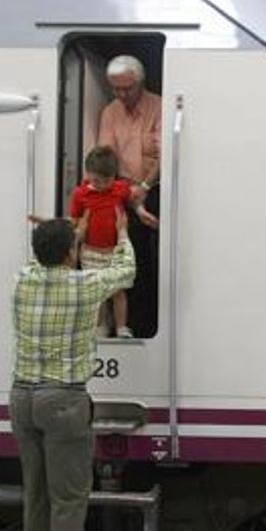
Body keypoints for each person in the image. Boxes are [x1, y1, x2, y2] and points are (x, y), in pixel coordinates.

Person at [9, 212, 135, 531]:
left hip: (22, 398)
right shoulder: (85, 287)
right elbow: (126, 270)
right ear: (71, 254)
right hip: (62, 402)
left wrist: (57, 234)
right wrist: (120, 234)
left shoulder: (21, 282)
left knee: (37, 492)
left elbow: (43, 258)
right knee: (68, 499)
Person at [98, 55, 161, 338]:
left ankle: (152, 323)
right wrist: (127, 195)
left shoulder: (159, 106)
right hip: (124, 192)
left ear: (140, 83)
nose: (122, 95)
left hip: (156, 188)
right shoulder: (110, 112)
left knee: (158, 260)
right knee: (129, 262)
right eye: (116, 89)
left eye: (128, 89)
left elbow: (164, 155)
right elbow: (106, 158)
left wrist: (145, 188)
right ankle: (130, 325)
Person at [70, 145, 158, 339]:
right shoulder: (80, 194)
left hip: (115, 250)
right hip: (91, 251)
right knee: (99, 293)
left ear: (114, 176)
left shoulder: (119, 188)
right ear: (88, 175)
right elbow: (75, 220)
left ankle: (121, 326)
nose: (102, 185)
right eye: (97, 181)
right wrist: (76, 233)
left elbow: (133, 201)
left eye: (108, 180)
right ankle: (102, 325)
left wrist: (141, 212)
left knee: (119, 291)